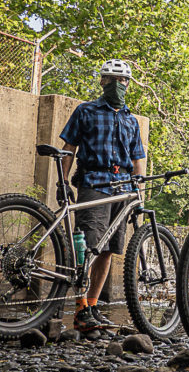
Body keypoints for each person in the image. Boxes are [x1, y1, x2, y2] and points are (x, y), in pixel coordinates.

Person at [59, 59, 146, 333]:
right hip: (93, 184)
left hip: (122, 189)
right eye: (111, 79)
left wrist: (138, 196)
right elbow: (68, 148)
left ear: (128, 85)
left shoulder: (131, 120)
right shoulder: (85, 111)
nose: (117, 85)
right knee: (88, 248)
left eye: (122, 81)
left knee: (108, 250)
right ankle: (80, 309)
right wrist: (62, 182)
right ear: (102, 82)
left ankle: (93, 306)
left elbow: (138, 159)